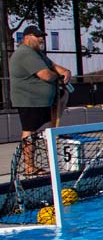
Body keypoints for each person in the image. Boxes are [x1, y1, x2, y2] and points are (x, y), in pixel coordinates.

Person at [9, 25, 72, 176]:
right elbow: (46, 75)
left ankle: (50, 152)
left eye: (41, 36)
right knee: (29, 131)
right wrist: (59, 77)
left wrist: (65, 71)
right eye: (37, 36)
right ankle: (29, 166)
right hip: (29, 101)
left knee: (43, 130)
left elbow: (53, 66)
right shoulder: (25, 53)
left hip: (42, 102)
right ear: (26, 38)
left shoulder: (37, 54)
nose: (41, 39)